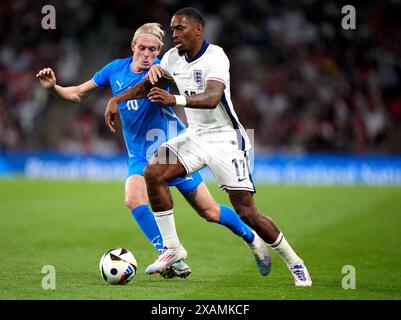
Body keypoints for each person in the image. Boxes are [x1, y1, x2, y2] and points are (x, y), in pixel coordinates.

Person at [36, 23, 271, 279]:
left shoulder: (161, 71)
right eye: (143, 49)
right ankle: (171, 256)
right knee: (133, 199)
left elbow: (192, 84)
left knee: (210, 212)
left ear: (159, 50)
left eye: (153, 49)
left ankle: (252, 238)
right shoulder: (114, 69)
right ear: (133, 47)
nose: (148, 54)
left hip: (173, 152)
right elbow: (78, 93)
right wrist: (53, 89)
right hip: (139, 155)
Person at [104, 9, 312, 286]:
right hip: (196, 135)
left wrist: (174, 99)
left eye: (181, 28)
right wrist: (116, 100)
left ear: (199, 30)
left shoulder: (216, 56)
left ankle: (295, 263)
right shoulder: (171, 59)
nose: (175, 34)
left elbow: (213, 97)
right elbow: (147, 86)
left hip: (226, 140)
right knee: (153, 172)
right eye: (173, 29)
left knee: (247, 212)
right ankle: (172, 249)